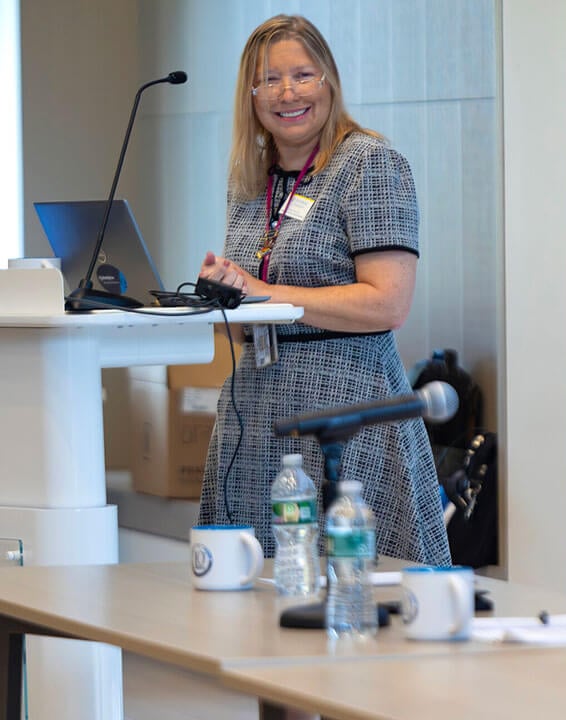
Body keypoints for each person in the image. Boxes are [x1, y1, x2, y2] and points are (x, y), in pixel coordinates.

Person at [196, 14, 451, 565]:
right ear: (251, 95)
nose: (287, 93)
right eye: (269, 80)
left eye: (303, 75)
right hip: (254, 411)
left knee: (357, 588)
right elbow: (257, 291)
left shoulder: (369, 164)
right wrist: (226, 290)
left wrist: (265, 291)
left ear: (329, 82)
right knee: (253, 594)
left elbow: (389, 302)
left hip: (347, 407)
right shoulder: (250, 177)